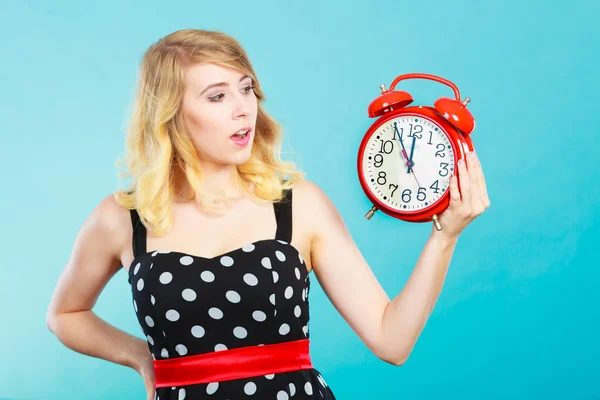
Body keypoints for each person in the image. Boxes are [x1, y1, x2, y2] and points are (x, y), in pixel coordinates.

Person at [46, 29, 490, 400]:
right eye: (217, 96)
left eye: (246, 88)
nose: (244, 108)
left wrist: (445, 237)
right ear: (170, 115)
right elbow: (65, 314)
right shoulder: (121, 218)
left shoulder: (300, 205)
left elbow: (392, 341)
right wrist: (140, 355)